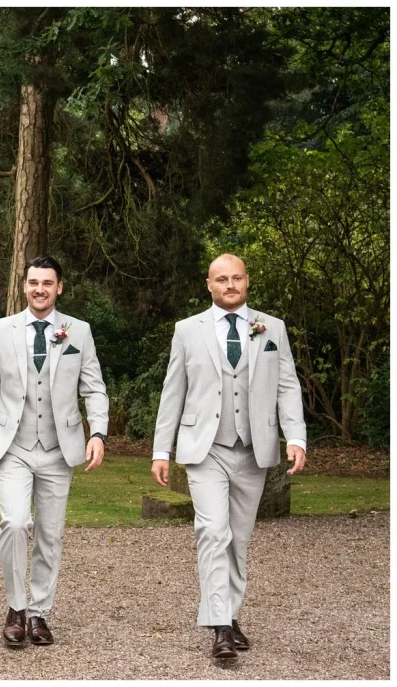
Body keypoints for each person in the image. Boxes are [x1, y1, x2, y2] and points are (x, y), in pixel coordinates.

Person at [151, 253, 307, 659]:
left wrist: (296, 437)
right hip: (205, 449)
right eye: (222, 279)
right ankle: (220, 625)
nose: (230, 285)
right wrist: (161, 449)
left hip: (254, 450)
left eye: (236, 278)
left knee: (237, 539)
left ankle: (229, 614)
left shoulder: (272, 328)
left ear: (247, 281)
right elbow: (173, 391)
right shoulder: (187, 330)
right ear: (209, 285)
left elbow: (287, 385)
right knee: (212, 531)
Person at [0, 256, 108, 647]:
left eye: (47, 283)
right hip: (12, 446)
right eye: (33, 282)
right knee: (15, 523)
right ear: (24, 286)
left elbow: (94, 387)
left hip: (58, 447)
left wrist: (98, 433)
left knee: (50, 534)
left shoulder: (78, 331)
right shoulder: (0, 330)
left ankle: (39, 614)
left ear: (59, 288)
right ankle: (16, 608)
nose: (40, 289)